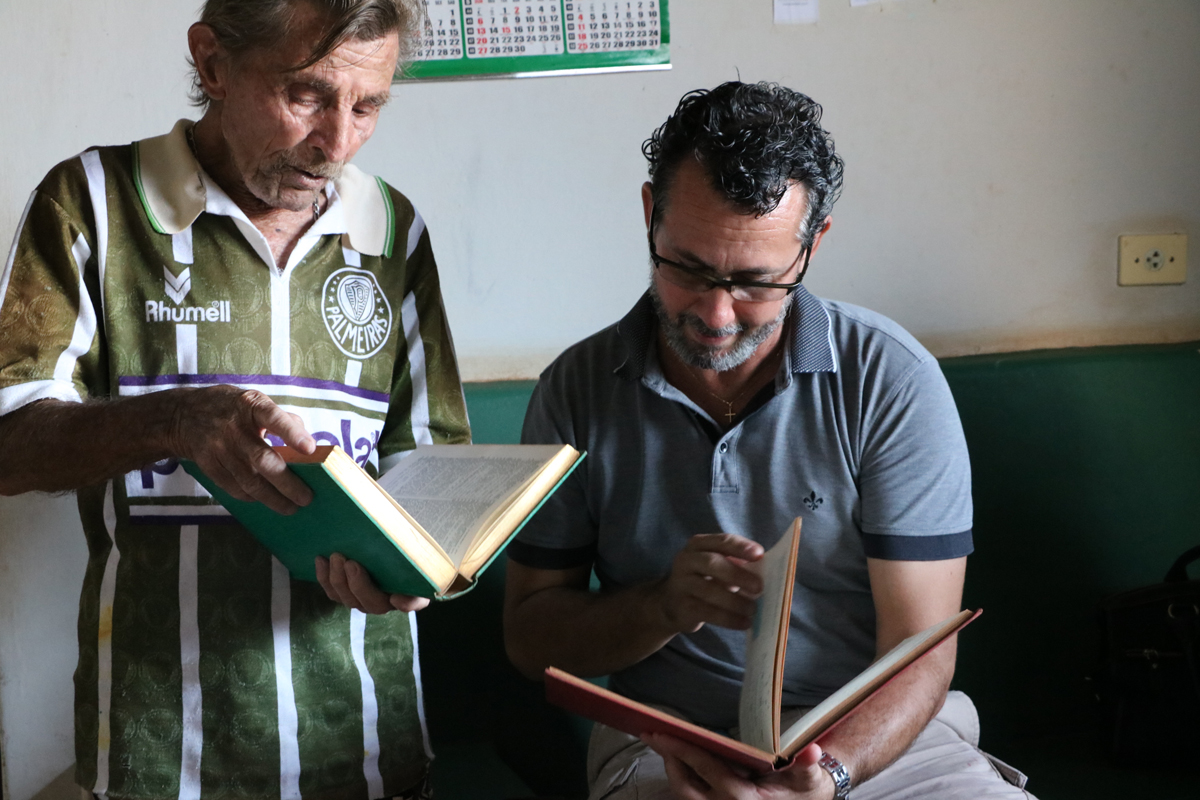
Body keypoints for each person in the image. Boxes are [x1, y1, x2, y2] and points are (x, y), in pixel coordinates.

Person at [503, 82, 1035, 800]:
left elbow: (921, 655)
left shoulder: (891, 378)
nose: (716, 315)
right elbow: (532, 640)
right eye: (687, 269)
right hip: (665, 740)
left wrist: (830, 773)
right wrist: (663, 607)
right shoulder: (576, 389)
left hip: (882, 744)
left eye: (756, 282)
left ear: (813, 246)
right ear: (649, 215)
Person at [0, 2, 469, 798]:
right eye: (307, 96)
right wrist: (176, 420)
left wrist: (425, 562)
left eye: (368, 106)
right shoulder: (93, 204)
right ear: (212, 63)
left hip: (363, 748)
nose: (337, 143)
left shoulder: (393, 232)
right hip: (160, 753)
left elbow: (435, 466)